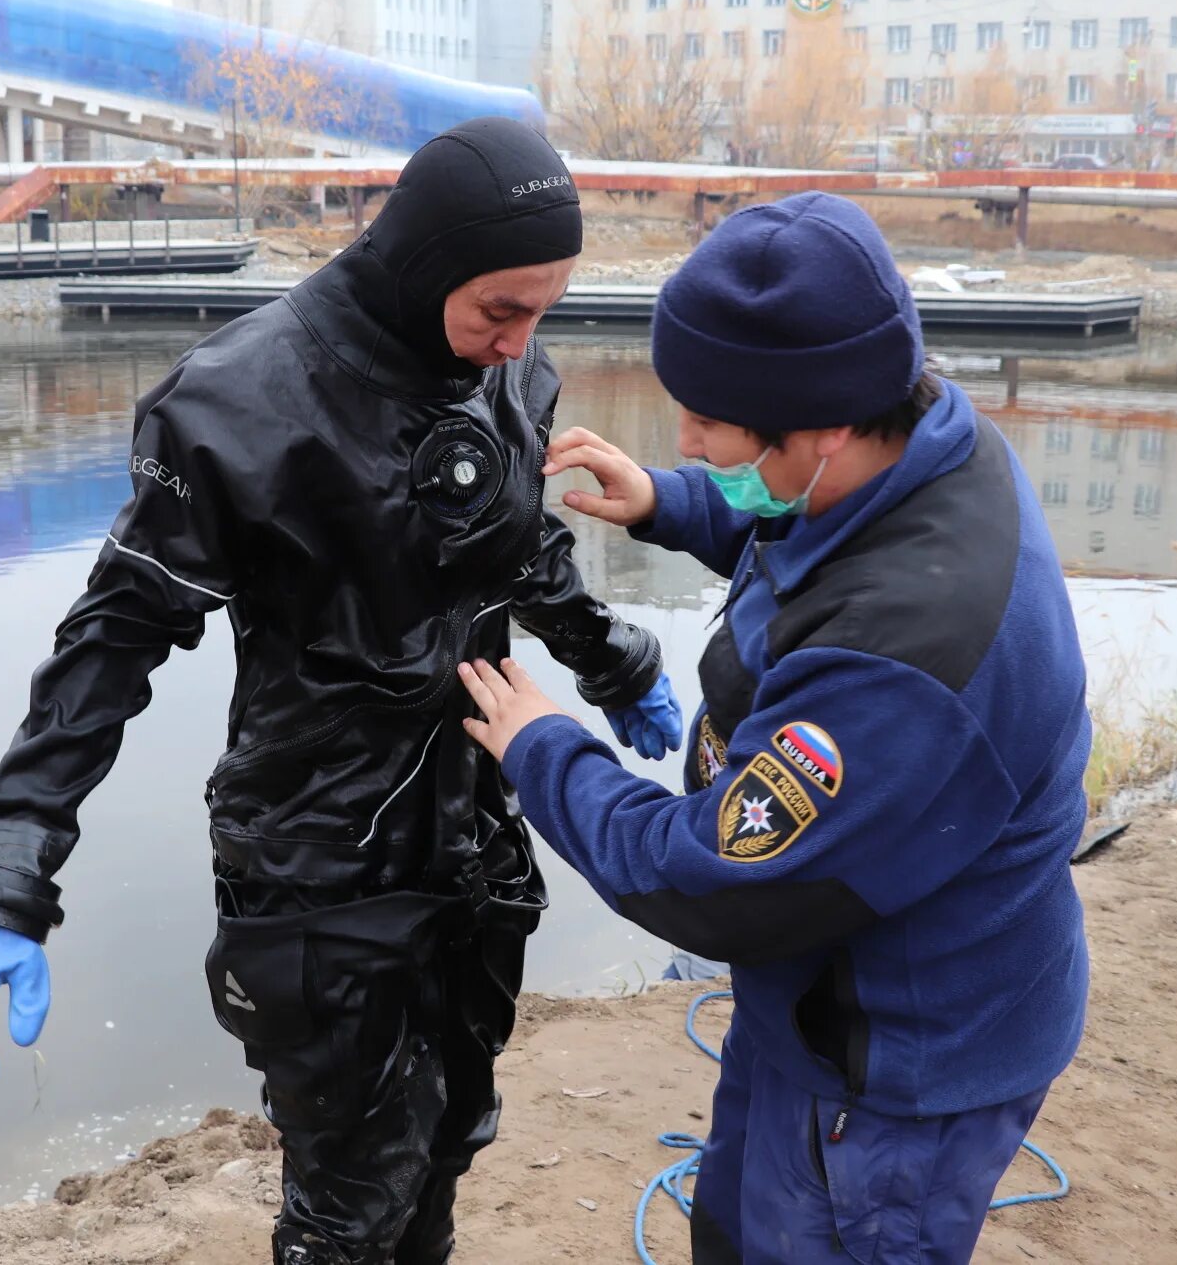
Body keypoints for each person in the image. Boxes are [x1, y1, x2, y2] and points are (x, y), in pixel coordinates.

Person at [0, 117, 682, 1265]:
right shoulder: (239, 405)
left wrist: (609, 657)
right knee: (348, 1197)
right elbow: (111, 641)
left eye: (543, 310)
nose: (523, 342)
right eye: (501, 310)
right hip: (316, 856)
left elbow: (516, 549)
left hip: (472, 829)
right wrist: (7, 867)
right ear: (431, 267)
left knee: (449, 1136)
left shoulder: (506, 369)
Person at [454, 192, 1091, 1264]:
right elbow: (793, 526)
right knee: (734, 1229)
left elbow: (711, 880)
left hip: (897, 1059)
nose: (687, 437)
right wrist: (670, 499)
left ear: (824, 431)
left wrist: (543, 749)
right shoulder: (915, 444)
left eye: (709, 424)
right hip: (812, 996)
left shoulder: (907, 656)